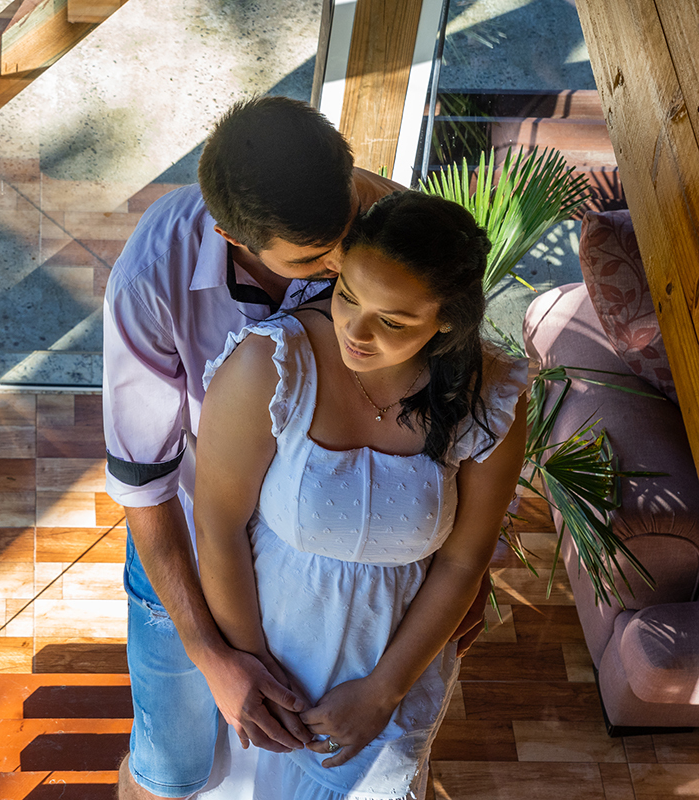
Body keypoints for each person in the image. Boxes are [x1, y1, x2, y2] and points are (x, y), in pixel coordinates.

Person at [102, 96, 487, 800]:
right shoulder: (150, 282)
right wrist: (215, 654)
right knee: (171, 771)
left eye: (345, 232)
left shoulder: (386, 223)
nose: (344, 260)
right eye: (318, 261)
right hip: (191, 529)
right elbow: (147, 489)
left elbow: (459, 385)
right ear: (230, 236)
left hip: (324, 558)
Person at [191, 191, 528, 800]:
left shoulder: (492, 394)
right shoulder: (271, 365)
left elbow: (463, 560)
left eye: (393, 321)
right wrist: (253, 673)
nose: (355, 329)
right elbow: (217, 525)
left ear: (446, 321)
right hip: (266, 657)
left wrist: (383, 692)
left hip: (392, 668)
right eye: (346, 296)